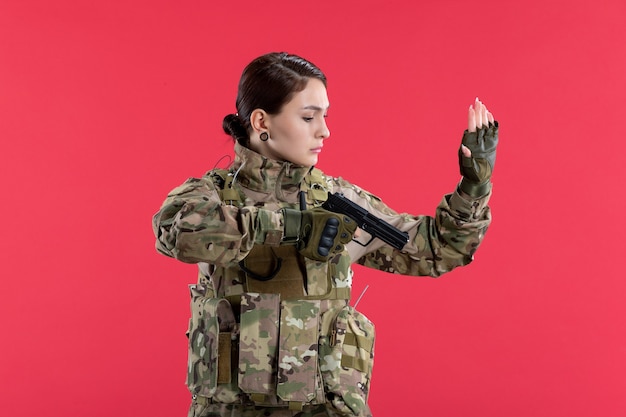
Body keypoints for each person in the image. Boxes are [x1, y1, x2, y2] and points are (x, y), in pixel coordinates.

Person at [152, 52, 498, 417]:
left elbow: (437, 250)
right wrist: (290, 226)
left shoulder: (338, 203)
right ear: (260, 121)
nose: (324, 130)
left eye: (325, 116)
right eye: (308, 117)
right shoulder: (212, 195)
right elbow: (175, 231)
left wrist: (473, 186)